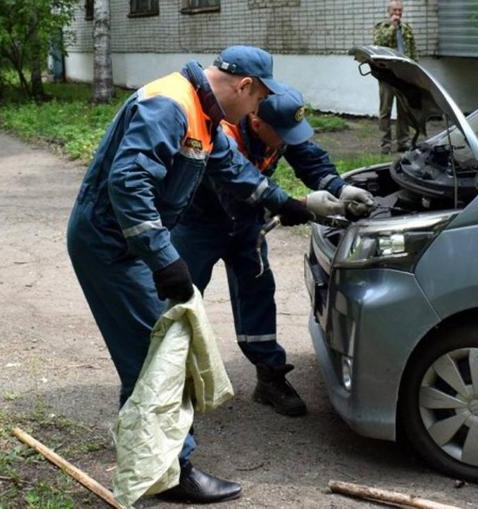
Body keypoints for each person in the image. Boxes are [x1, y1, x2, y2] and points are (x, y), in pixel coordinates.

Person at [66, 46, 334, 504]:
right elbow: (129, 183)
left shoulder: (203, 115)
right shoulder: (170, 105)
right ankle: (171, 471)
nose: (254, 111)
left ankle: (149, 456)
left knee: (156, 351)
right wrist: (164, 259)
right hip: (111, 245)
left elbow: (234, 171)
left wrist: (292, 205)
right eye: (255, 102)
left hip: (130, 242)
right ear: (245, 86)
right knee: (156, 356)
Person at [171, 85, 375, 417]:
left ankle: (269, 377)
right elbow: (238, 185)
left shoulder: (279, 126)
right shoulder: (222, 133)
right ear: (255, 118)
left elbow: (308, 157)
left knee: (259, 292)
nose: (286, 141)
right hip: (199, 224)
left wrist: (341, 188)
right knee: (182, 299)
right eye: (281, 134)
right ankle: (172, 380)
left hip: (246, 226)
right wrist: (300, 205)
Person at [374, 0, 419, 154]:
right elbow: (379, 43)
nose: (398, 13)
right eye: (395, 10)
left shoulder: (406, 28)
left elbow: (413, 51)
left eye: (400, 10)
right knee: (385, 110)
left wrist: (415, 71)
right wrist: (392, 27)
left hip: (404, 75)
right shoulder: (382, 27)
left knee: (404, 110)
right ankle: (385, 144)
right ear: (389, 11)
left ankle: (403, 142)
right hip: (387, 75)